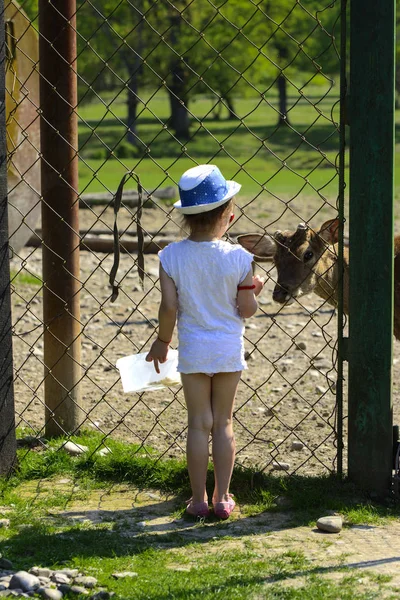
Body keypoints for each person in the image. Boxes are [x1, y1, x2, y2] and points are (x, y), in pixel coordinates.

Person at [146, 164, 264, 519]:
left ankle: (197, 501)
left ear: (186, 217)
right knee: (224, 423)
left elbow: (169, 306)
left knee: (198, 423)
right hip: (227, 350)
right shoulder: (241, 258)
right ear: (229, 216)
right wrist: (250, 289)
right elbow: (246, 311)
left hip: (194, 349)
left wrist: (162, 343)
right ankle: (222, 497)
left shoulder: (170, 256)